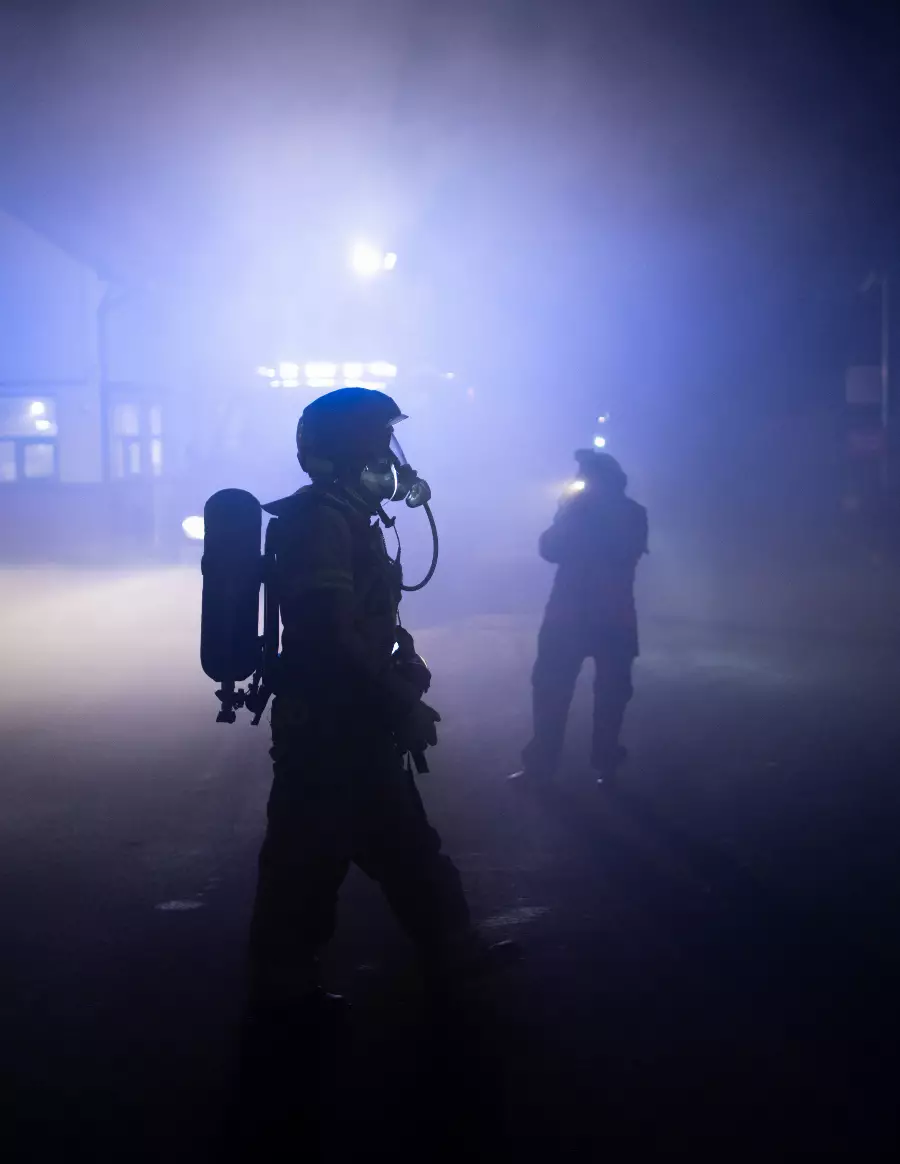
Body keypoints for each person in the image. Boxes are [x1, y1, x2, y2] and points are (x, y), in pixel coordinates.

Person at [248, 387, 511, 1012]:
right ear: (350, 452)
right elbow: (329, 635)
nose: (393, 459)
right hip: (330, 725)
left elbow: (360, 623)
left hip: (350, 720)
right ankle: (285, 990)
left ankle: (448, 952)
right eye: (381, 443)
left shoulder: (344, 518)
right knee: (312, 857)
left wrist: (400, 660)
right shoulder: (322, 523)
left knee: (395, 846)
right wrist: (400, 701)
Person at [511, 449, 648, 786]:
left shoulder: (617, 513)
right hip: (600, 617)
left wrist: (572, 513)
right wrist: (567, 512)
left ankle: (558, 764)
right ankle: (591, 763)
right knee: (570, 692)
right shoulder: (627, 512)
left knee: (587, 693)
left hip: (580, 615)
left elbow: (555, 549)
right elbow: (550, 550)